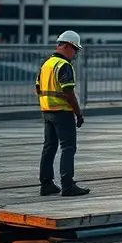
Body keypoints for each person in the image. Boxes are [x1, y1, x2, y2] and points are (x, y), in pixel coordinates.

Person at [36, 30, 89, 196]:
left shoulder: (47, 64)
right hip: (63, 112)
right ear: (66, 46)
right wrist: (78, 113)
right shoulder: (64, 66)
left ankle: (46, 184)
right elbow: (68, 93)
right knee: (68, 148)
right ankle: (67, 185)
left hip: (47, 112)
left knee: (49, 148)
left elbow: (37, 87)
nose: (75, 53)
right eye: (75, 49)